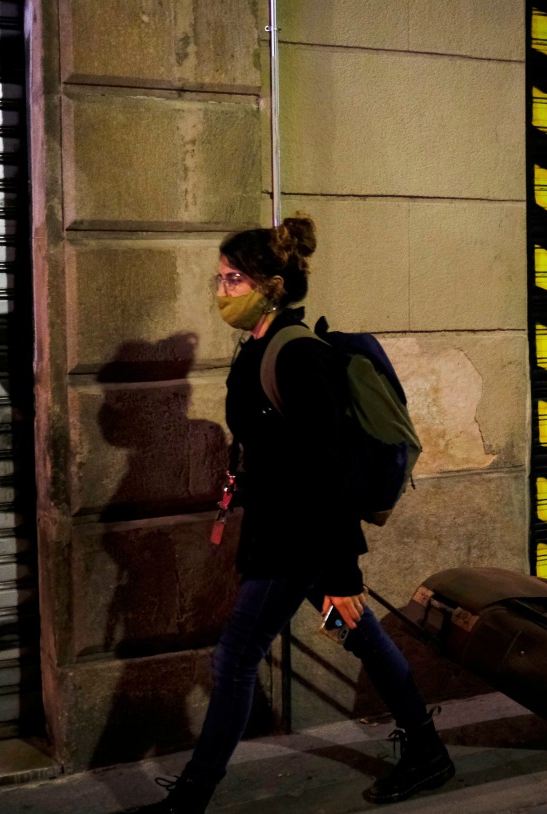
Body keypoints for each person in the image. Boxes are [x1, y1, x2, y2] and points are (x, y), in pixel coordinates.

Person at [133, 216, 454, 813]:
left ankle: (192, 797)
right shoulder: (256, 347)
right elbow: (279, 451)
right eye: (220, 278)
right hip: (284, 534)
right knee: (354, 633)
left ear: (270, 285)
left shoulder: (299, 356)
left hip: (299, 545)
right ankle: (427, 750)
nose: (221, 290)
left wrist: (341, 575)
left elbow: (326, 472)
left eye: (233, 280)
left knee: (234, 658)